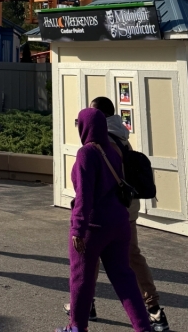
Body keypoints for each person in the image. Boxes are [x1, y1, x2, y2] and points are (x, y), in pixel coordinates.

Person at [57, 107, 151, 332]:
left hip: (94, 226)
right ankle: (143, 327)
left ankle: (77, 327)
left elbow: (84, 196)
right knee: (124, 279)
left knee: (81, 279)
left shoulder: (86, 153)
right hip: (119, 223)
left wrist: (78, 229)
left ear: (85, 127)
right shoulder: (112, 151)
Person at [85, 97, 170, 331]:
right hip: (128, 207)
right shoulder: (122, 137)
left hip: (106, 210)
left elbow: (98, 179)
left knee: (90, 256)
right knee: (132, 256)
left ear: (98, 116)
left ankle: (86, 304)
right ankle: (154, 309)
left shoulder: (102, 142)